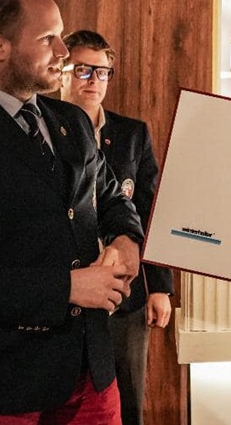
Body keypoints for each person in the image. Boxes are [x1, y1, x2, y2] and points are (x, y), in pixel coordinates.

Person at [0, 0, 143, 423]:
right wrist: (68, 288)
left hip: (90, 374)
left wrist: (126, 238)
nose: (63, 52)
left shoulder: (72, 122)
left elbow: (113, 198)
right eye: (48, 38)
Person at [60, 29, 174, 425]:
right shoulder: (41, 131)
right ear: (60, 73)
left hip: (125, 294)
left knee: (127, 398)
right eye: (82, 70)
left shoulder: (131, 134)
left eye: (102, 72)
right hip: (64, 290)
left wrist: (159, 286)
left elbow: (149, 209)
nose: (93, 81)